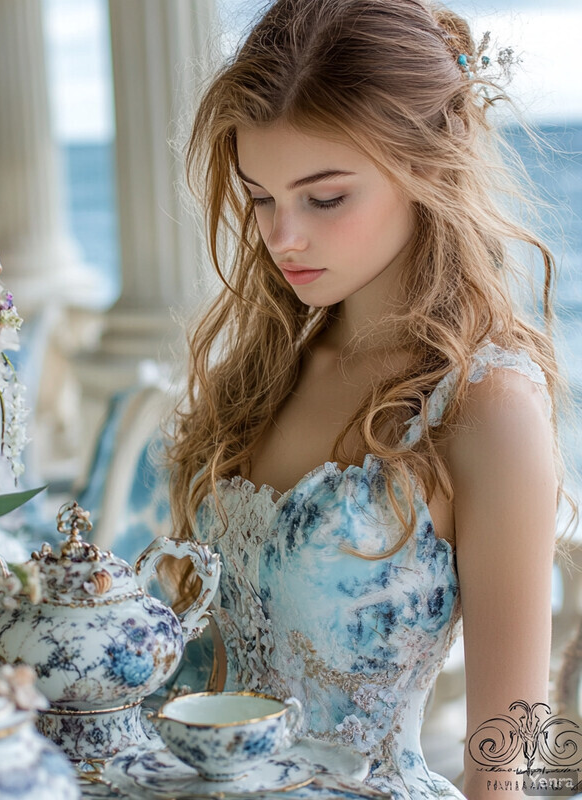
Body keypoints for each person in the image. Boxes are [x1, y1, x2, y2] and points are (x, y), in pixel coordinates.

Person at [164, 1, 575, 798]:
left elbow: (506, 766)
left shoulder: (487, 406)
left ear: (426, 168)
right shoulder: (265, 372)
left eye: (324, 199)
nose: (283, 237)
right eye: (259, 197)